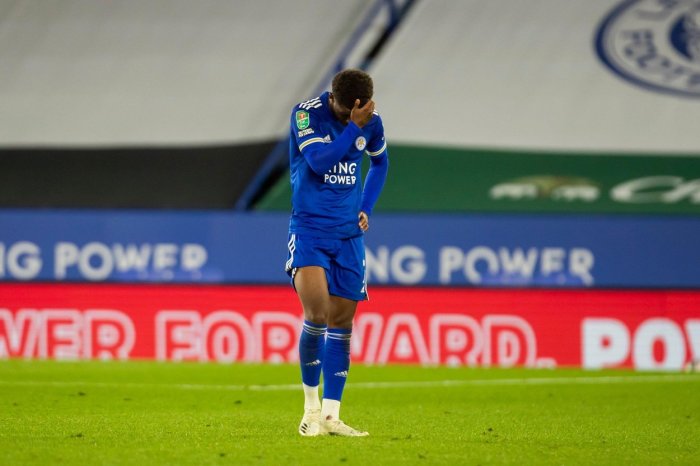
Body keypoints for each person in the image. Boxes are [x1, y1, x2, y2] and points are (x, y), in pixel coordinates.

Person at [284, 69, 389, 437]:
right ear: (333, 98)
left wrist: (366, 206)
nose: (350, 118)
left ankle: (331, 416)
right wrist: (353, 128)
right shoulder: (305, 114)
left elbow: (380, 163)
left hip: (348, 236)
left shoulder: (369, 121)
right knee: (317, 313)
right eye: (345, 112)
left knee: (342, 324)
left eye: (356, 113)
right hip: (310, 230)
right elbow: (320, 162)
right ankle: (310, 410)